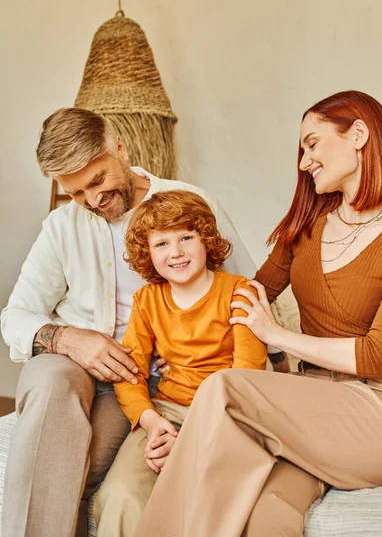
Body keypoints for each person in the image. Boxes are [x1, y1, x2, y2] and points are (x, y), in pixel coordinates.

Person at [0, 107, 285, 537]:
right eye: (76, 193)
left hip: (149, 381)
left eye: (97, 181)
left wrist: (279, 366)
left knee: (77, 468)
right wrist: (68, 339)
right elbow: (16, 316)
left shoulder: (188, 203)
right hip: (79, 366)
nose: (92, 201)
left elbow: (245, 293)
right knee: (48, 377)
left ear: (119, 146)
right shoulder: (62, 227)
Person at [133, 90, 382, 537]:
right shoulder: (306, 227)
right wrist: (177, 340)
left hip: (381, 412)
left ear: (358, 134)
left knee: (226, 388)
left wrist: (276, 336)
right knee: (266, 511)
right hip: (307, 404)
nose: (303, 161)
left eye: (312, 144)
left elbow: (376, 357)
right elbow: (243, 294)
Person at [93, 190, 267, 534]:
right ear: (148, 253)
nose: (176, 252)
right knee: (119, 493)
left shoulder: (240, 291)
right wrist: (152, 421)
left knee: (203, 496)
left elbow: (246, 377)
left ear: (205, 239)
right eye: (161, 244)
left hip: (228, 415)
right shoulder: (146, 300)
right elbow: (130, 374)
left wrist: (189, 441)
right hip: (167, 413)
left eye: (186, 237)